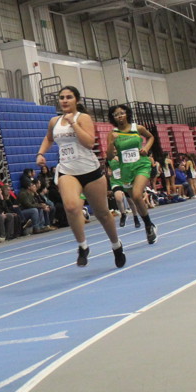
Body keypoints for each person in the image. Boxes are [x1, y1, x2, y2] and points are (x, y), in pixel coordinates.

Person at [37, 86, 126, 268]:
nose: (64, 100)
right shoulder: (54, 121)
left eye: (69, 97)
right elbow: (49, 138)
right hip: (67, 171)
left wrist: (73, 123)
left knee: (102, 214)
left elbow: (89, 143)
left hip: (90, 171)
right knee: (71, 207)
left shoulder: (82, 118)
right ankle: (83, 246)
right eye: (62, 97)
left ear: (76, 100)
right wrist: (41, 153)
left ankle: (116, 245)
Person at [106, 104, 158, 244]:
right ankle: (148, 224)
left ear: (127, 114)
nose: (119, 116)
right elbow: (109, 156)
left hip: (141, 164)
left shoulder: (137, 128)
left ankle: (148, 226)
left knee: (136, 194)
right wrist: (111, 142)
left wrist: (146, 148)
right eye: (116, 115)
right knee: (136, 200)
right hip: (126, 169)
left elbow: (151, 137)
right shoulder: (112, 134)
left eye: (122, 113)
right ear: (113, 118)